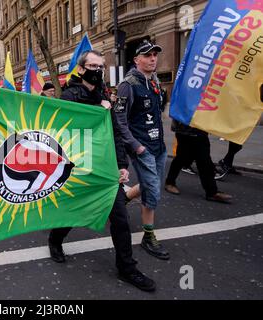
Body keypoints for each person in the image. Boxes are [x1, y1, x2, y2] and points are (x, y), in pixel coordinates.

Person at [47, 50, 156, 292]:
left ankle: (127, 268)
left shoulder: (106, 94)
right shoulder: (70, 96)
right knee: (75, 211)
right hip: (80, 167)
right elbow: (66, 129)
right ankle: (55, 240)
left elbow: (116, 132)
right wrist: (99, 110)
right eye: (94, 66)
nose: (99, 70)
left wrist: (121, 165)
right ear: (81, 69)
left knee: (119, 217)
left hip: (105, 168)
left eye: (102, 66)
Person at [114, 40, 169, 260]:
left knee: (151, 184)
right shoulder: (128, 84)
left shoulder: (154, 81)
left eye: (155, 54)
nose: (153, 58)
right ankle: (148, 236)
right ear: (137, 59)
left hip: (159, 147)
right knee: (153, 191)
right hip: (142, 148)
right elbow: (119, 120)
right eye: (147, 55)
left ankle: (125, 197)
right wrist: (136, 146)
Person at [164, 120, 232, 203]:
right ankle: (169, 182)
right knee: (181, 158)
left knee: (205, 160)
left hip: (200, 129)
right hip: (184, 130)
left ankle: (212, 192)